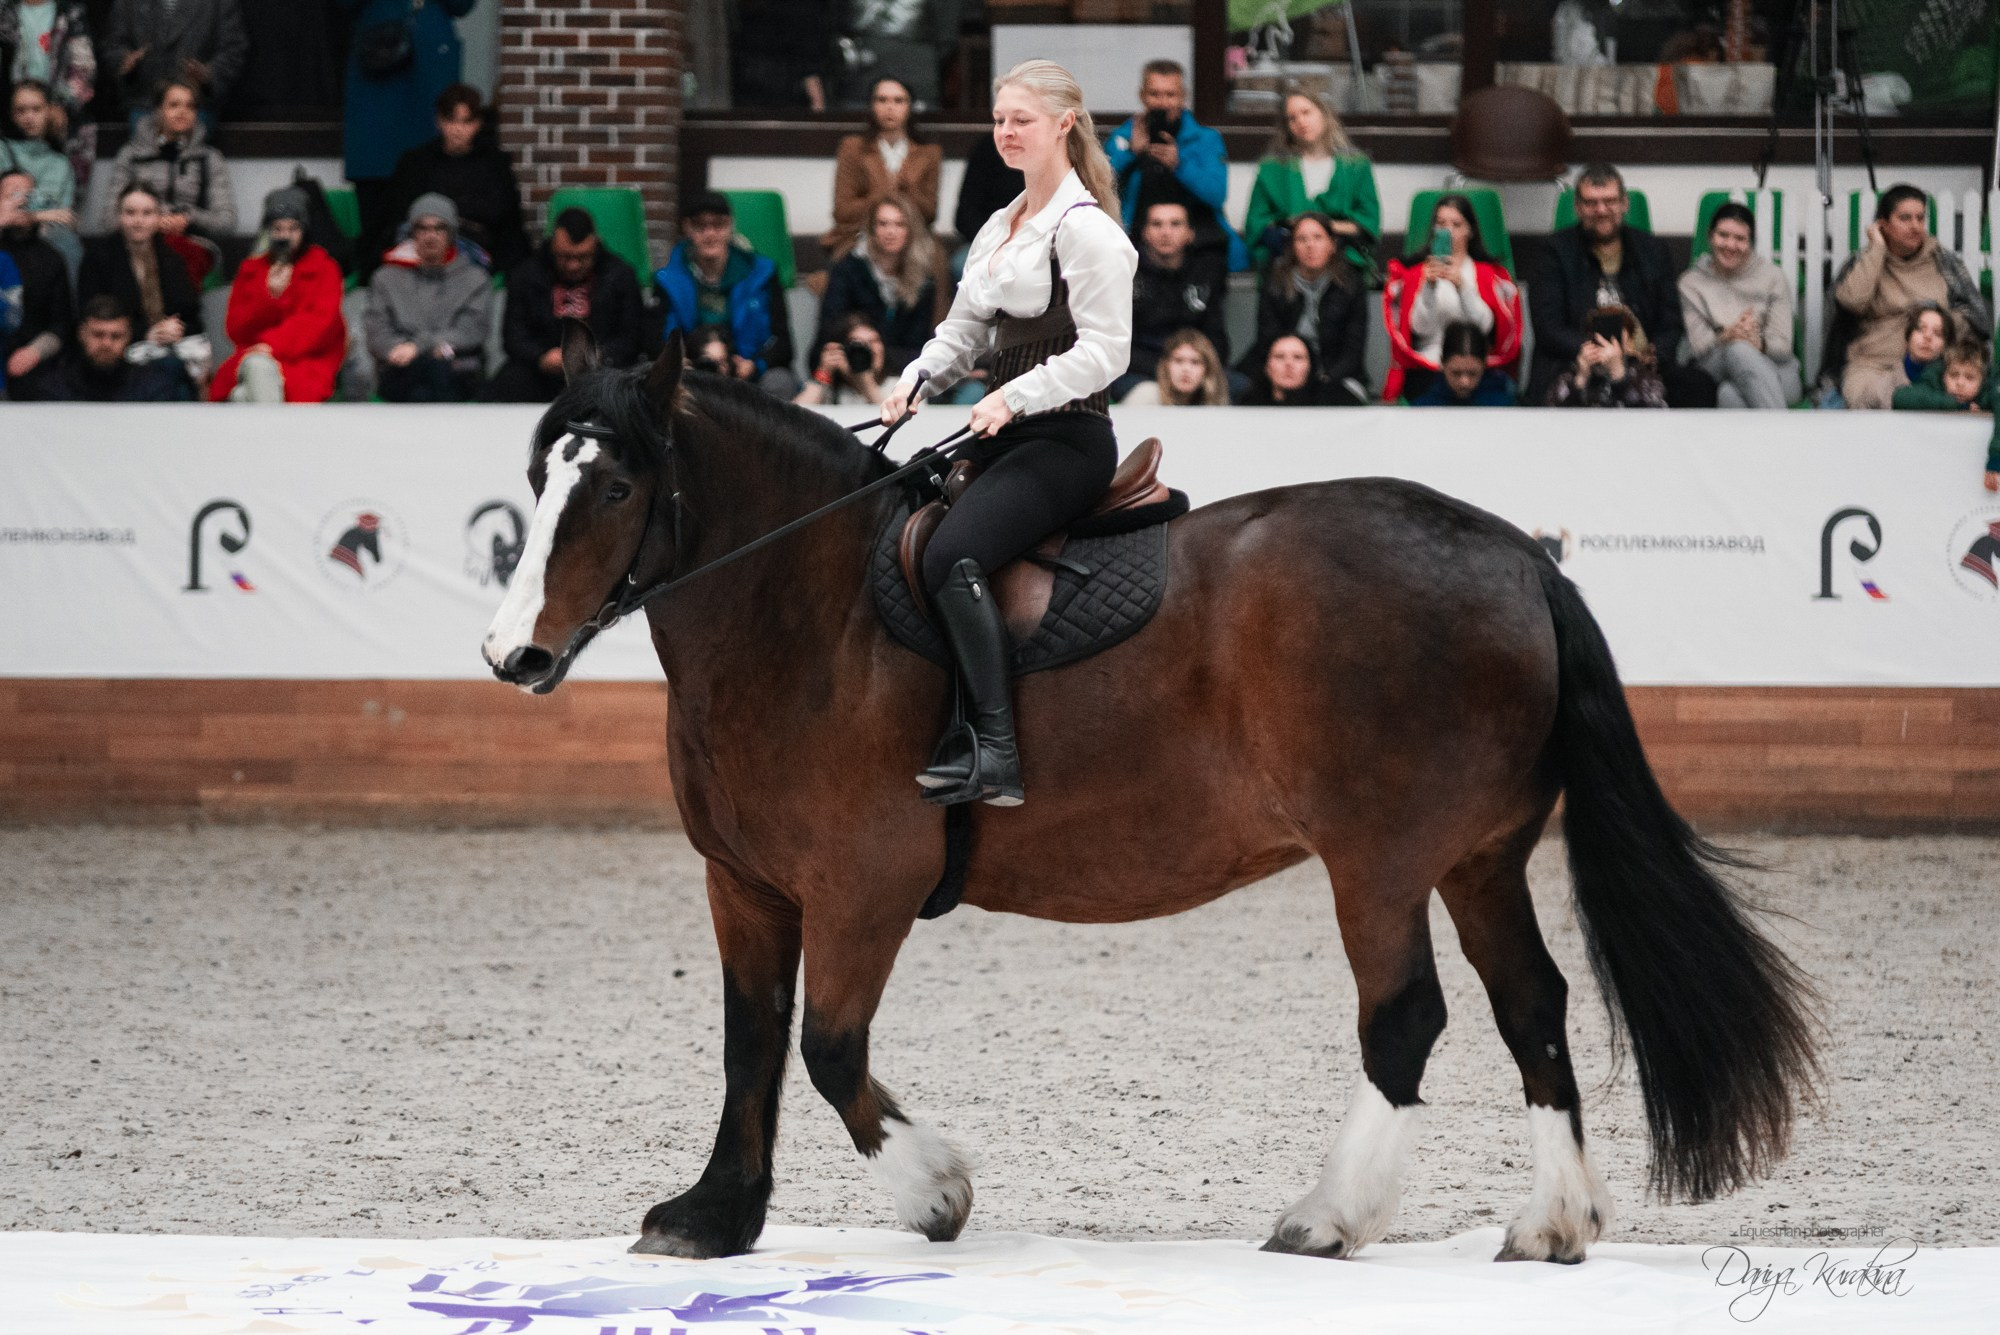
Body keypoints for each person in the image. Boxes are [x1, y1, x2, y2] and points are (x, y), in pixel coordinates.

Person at [882, 59, 1136, 808]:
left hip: (1067, 439)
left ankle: (994, 749)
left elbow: (1107, 352)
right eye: (999, 120)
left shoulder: (1086, 229)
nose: (1006, 132)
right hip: (1003, 433)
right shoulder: (1001, 224)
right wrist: (916, 379)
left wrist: (1016, 396)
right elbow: (963, 330)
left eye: (1021, 119)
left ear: (1064, 124)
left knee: (951, 554)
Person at [1528, 162, 1712, 407]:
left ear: (1624, 203)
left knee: (1698, 386)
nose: (1601, 210)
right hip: (1575, 363)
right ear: (1578, 207)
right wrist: (1595, 352)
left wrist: (1651, 354)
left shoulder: (1653, 250)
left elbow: (1670, 321)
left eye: (1610, 201)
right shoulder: (1553, 251)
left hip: (1640, 364)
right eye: (1591, 203)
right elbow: (1547, 326)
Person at [1831, 184, 1990, 410]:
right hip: (1875, 366)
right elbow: (1851, 302)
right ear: (1883, 224)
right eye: (1905, 218)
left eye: (1920, 218)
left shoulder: (1943, 262)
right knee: (1864, 400)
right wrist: (1877, 250)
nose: (1915, 226)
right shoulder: (1865, 262)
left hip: (1936, 368)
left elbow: (1974, 318)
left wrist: (1936, 320)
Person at [340, 0, 478, 246]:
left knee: (435, 202)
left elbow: (462, 5)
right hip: (378, 71)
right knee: (377, 222)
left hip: (429, 73)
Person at [484, 206, 644, 403]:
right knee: (510, 382)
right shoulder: (526, 275)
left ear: (595, 246)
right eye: (565, 256)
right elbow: (513, 336)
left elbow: (631, 337)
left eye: (582, 257)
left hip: (603, 370)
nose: (573, 265)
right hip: (541, 371)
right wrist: (542, 357)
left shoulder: (620, 276)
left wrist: (597, 357)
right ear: (553, 246)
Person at [1103, 59, 1247, 271]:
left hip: (1198, 244)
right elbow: (1100, 189)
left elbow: (1217, 195)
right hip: (1136, 244)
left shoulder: (1205, 139)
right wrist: (1130, 154)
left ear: (1183, 96)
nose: (1162, 103)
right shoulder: (1123, 138)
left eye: (1170, 95)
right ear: (1142, 95)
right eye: (1154, 94)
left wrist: (1180, 165)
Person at [372, 82, 528, 276]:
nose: (458, 129)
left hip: (473, 244)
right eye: (451, 120)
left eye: (466, 122)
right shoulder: (417, 163)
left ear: (478, 123)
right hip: (420, 241)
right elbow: (400, 210)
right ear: (439, 121)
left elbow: (502, 214)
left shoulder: (494, 165)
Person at [655, 189, 797, 397]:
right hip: (691, 379)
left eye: (718, 225)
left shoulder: (763, 273)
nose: (710, 234)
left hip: (750, 378)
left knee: (779, 381)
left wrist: (755, 365)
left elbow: (783, 342)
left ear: (730, 225)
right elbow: (655, 339)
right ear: (687, 227)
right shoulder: (667, 279)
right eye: (700, 226)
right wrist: (675, 361)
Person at [208, 187, 345, 403]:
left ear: (304, 231)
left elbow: (319, 325)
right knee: (257, 368)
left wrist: (271, 346)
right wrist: (269, 297)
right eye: (278, 228)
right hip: (254, 355)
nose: (285, 236)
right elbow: (235, 328)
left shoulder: (324, 269)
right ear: (268, 231)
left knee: (241, 396)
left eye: (293, 228)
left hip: (307, 360)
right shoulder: (251, 270)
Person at [1381, 192, 1521, 402]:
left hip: (1474, 365)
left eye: (1456, 225)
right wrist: (1428, 288)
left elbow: (1484, 328)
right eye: (1441, 224)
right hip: (1428, 366)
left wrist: (1462, 288)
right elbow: (1419, 329)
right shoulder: (1415, 274)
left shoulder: (1487, 274)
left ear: (1470, 230)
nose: (1448, 231)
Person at [363, 192, 491, 403]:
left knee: (434, 375)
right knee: (419, 381)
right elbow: (377, 330)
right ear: (412, 233)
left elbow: (470, 331)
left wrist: (418, 348)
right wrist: (401, 350)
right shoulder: (386, 278)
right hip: (401, 366)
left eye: (439, 228)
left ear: (451, 233)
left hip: (454, 365)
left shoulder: (474, 279)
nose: (430, 236)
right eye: (422, 228)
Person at [78, 182, 207, 388]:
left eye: (147, 213)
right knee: (171, 370)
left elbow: (192, 316)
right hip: (118, 348)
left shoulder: (172, 259)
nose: (138, 221)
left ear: (158, 217)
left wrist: (176, 329)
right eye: (130, 213)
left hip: (171, 345)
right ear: (119, 216)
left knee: (190, 366)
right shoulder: (98, 259)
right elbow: (89, 316)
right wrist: (146, 333)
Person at [1678, 201, 1800, 410]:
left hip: (1777, 371)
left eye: (1740, 238)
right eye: (1723, 235)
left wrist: (1758, 344)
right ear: (1710, 236)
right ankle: (1782, 428)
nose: (1730, 245)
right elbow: (1699, 347)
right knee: (1738, 349)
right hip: (1715, 366)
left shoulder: (1773, 277)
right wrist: (1728, 336)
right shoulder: (1691, 283)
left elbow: (1783, 347)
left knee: (1728, 396)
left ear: (1751, 242)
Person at [94, 77, 234, 258]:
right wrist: (150, 220)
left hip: (192, 249)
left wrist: (189, 218)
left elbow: (226, 222)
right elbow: (109, 220)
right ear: (158, 110)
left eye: (190, 106)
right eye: (174, 105)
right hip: (138, 249)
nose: (182, 112)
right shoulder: (131, 155)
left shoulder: (209, 158)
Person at [1242, 87, 1379, 270]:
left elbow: (1367, 223)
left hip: (1343, 258)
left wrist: (1323, 228)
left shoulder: (1355, 165)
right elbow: (1257, 224)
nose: (1301, 121)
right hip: (1286, 257)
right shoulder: (1272, 168)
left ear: (1324, 114)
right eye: (1292, 118)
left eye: (1306, 112)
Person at [1112, 198, 1232, 404]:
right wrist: (1169, 369)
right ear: (1145, 232)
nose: (1165, 232)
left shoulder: (1206, 272)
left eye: (1175, 224)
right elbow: (1117, 342)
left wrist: (1195, 366)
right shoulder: (1126, 273)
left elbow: (1216, 336)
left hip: (1195, 367)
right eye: (1157, 224)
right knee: (1147, 394)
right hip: (1140, 370)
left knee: (1238, 386)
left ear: (1190, 233)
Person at [815, 191, 943, 377]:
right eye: (883, 224)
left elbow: (919, 349)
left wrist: (881, 358)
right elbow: (829, 333)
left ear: (911, 231)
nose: (890, 232)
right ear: (871, 229)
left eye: (900, 224)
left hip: (901, 375)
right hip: (847, 371)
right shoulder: (847, 270)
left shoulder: (923, 280)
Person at [1245, 210, 1368, 405]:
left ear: (1332, 245)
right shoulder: (1275, 283)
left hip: (1335, 374)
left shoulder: (1351, 285)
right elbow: (1267, 339)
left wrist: (1325, 379)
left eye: (1318, 238)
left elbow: (1353, 350)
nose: (1310, 245)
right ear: (1292, 247)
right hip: (1284, 371)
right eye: (1302, 239)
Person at [822, 75, 941, 259]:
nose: (890, 107)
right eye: (882, 100)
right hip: (858, 236)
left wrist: (910, 190)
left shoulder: (929, 153)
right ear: (872, 105)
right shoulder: (852, 148)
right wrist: (889, 193)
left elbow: (930, 214)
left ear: (910, 107)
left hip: (913, 240)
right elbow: (842, 212)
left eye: (898, 101)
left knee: (931, 260)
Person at [15, 293, 189, 399]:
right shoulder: (52, 389)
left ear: (129, 337)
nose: (106, 344)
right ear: (81, 334)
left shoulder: (153, 389)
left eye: (116, 336)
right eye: (98, 334)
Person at [0, 1, 96, 190]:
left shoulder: (70, 12)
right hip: (9, 118)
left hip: (61, 118)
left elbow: (84, 67)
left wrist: (62, 106)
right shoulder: (5, 10)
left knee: (60, 190)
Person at [0, 164, 70, 397]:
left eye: (28, 196)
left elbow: (61, 323)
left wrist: (35, 351)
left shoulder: (50, 257)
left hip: (30, 361)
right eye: (12, 195)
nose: (21, 201)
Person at [103, 0, 245, 114]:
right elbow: (113, 44)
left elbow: (233, 48)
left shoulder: (219, 3)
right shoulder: (127, 3)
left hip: (197, 103)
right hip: (144, 101)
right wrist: (124, 61)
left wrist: (209, 74)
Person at [2, 79, 78, 278]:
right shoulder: (2, 150)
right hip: (5, 232)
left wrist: (30, 213)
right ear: (11, 114)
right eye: (21, 110)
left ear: (50, 111)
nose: (29, 117)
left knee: (66, 241)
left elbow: (63, 215)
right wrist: (37, 216)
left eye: (36, 109)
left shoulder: (60, 163)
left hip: (46, 237)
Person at [1543, 304, 1666, 407]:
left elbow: (1653, 414)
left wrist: (1619, 375)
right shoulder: (1569, 375)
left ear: (1628, 341)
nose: (1606, 342)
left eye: (1615, 335)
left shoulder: (1644, 376)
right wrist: (1580, 380)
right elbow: (1552, 415)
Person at [794, 310, 889, 407]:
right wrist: (823, 372)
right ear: (842, 351)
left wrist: (865, 383)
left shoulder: (895, 385)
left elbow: (892, 414)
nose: (866, 350)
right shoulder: (828, 390)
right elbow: (796, 414)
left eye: (873, 341)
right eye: (857, 344)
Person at [1409, 322, 1515, 406]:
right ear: (1442, 363)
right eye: (1456, 373)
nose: (1464, 382)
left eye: (1472, 373)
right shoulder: (1424, 407)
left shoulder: (1506, 403)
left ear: (1484, 365)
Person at [1121, 326, 1227, 405]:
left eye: (1195, 362)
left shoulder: (1214, 403)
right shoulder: (1147, 394)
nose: (1186, 369)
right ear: (1165, 366)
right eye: (1178, 361)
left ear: (1208, 369)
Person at [1895, 336, 1993, 414]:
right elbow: (1901, 397)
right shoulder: (1933, 381)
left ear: (1982, 380)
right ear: (1944, 374)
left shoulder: (1990, 392)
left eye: (1969, 377)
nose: (1960, 383)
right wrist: (1957, 406)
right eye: (1954, 375)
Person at [1243, 332, 1328, 406]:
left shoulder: (1328, 407)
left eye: (1298, 357)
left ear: (1310, 367)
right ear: (1266, 366)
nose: (1289, 364)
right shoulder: (1248, 408)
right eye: (1279, 357)